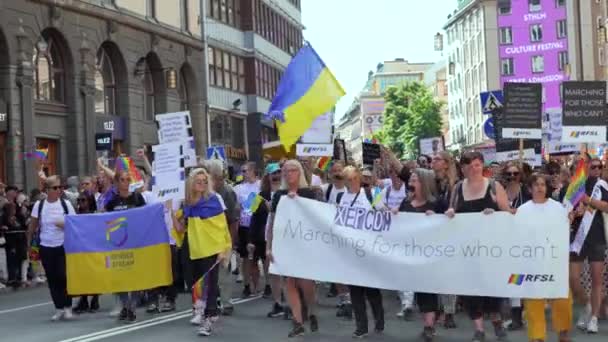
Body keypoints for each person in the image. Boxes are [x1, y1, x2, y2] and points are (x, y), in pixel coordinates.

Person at [446, 151, 514, 342]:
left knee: (492, 287)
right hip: (467, 251)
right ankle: (479, 329)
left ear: (482, 165)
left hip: (491, 249)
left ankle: (496, 320)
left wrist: (496, 212)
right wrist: (450, 212)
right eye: (468, 166)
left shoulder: (494, 186)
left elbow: (508, 212)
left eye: (476, 165)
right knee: (470, 290)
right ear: (462, 169)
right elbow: (452, 209)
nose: (472, 169)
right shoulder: (458, 188)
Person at [174, 168, 231, 337]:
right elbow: (179, 228)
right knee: (193, 283)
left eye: (205, 181)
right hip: (191, 248)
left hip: (210, 249)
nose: (202, 184)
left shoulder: (213, 200)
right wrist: (171, 211)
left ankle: (208, 318)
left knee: (209, 285)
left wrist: (223, 249)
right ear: (191, 183)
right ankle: (199, 310)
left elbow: (222, 227)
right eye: (198, 181)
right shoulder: (187, 204)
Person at [267, 160, 319, 338]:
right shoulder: (278, 196)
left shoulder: (309, 194)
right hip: (285, 245)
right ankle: (297, 322)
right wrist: (269, 246)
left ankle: (311, 310)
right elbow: (272, 223)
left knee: (306, 284)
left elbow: (318, 220)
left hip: (305, 245)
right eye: (286, 171)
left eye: (293, 170)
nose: (289, 174)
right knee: (289, 282)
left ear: (300, 173)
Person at [519, 173, 572, 342]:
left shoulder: (557, 207)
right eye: (536, 184)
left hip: (554, 263)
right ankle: (537, 337)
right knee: (534, 302)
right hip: (532, 264)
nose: (540, 187)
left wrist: (569, 218)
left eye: (543, 184)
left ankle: (563, 334)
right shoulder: (523, 210)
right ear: (530, 188)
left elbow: (564, 229)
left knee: (562, 301)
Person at [337, 166, 384, 338]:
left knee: (372, 291)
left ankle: (379, 321)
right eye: (346, 179)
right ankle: (361, 326)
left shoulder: (371, 194)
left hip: (369, 250)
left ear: (358, 178)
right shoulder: (342, 197)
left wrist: (390, 211)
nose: (349, 182)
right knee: (355, 291)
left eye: (352, 179)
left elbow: (384, 213)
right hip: (351, 251)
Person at [398, 168, 440, 341]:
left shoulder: (436, 203)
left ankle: (429, 326)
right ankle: (428, 322)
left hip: (430, 257)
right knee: (417, 291)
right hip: (410, 255)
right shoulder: (405, 203)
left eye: (414, 180)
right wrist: (394, 214)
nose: (410, 184)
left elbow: (450, 223)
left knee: (427, 291)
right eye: (411, 181)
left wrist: (439, 217)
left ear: (425, 183)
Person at [27, 175, 77, 321]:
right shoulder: (40, 205)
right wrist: (30, 244)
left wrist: (64, 225)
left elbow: (75, 223)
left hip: (62, 245)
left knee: (63, 276)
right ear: (47, 189)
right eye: (55, 188)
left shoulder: (66, 204)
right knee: (52, 278)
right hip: (46, 246)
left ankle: (68, 307)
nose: (59, 190)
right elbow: (33, 225)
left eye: (60, 187)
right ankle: (59, 308)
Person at [570, 157, 607, 333]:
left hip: (597, 236)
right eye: (593, 167)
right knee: (573, 278)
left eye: (600, 167)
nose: (597, 169)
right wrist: (575, 212)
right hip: (577, 236)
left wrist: (588, 201)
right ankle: (586, 306)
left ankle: (593, 317)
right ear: (585, 168)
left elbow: (606, 207)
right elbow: (566, 208)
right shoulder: (575, 186)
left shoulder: (603, 186)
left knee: (597, 280)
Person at [105, 170, 147, 323]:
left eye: (127, 180)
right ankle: (125, 305)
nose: (125, 183)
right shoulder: (112, 201)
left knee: (135, 277)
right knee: (120, 278)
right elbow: (105, 219)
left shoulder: (137, 198)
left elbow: (146, 217)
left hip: (135, 244)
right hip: (118, 246)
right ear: (116, 182)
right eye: (122, 180)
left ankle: (132, 307)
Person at [201, 159, 240, 316]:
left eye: (207, 174)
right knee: (209, 273)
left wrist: (230, 242)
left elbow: (233, 219)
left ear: (215, 176)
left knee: (224, 272)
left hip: (223, 238)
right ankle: (210, 303)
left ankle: (226, 302)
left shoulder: (227, 192)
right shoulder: (202, 192)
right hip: (207, 240)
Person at [249, 163, 285, 318]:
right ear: (267, 177)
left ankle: (291, 300)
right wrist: (250, 240)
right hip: (267, 237)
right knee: (272, 269)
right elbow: (253, 218)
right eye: (273, 173)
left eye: (278, 172)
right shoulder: (260, 196)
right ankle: (277, 302)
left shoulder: (287, 192)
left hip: (287, 236)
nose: (276, 176)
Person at [430, 151, 459, 328]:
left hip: (452, 235)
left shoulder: (454, 185)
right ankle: (442, 309)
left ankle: (449, 312)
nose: (433, 162)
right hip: (437, 235)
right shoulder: (434, 183)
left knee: (450, 275)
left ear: (446, 164)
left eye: (437, 159)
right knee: (439, 275)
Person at [320, 161, 352, 319]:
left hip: (350, 236)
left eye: (340, 170)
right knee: (337, 269)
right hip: (332, 235)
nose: (337, 173)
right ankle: (344, 299)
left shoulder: (352, 190)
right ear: (330, 174)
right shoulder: (326, 190)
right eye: (334, 171)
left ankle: (352, 298)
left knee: (349, 269)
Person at [501, 162, 531, 330]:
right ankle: (516, 315)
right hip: (506, 243)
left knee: (521, 279)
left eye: (515, 174)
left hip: (524, 242)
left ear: (521, 175)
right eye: (509, 174)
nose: (512, 177)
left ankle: (522, 314)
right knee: (512, 280)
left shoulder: (527, 193)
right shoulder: (500, 193)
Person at [234, 161, 261, 297]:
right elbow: (237, 208)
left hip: (258, 225)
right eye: (242, 171)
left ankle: (260, 285)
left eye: (245, 171)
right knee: (245, 257)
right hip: (245, 226)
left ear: (253, 171)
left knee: (257, 257)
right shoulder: (238, 189)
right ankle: (246, 285)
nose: (243, 174)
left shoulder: (260, 185)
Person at [72, 191, 100, 314]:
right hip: (80, 249)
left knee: (94, 275)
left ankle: (95, 299)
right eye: (78, 200)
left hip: (93, 249)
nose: (80, 203)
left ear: (90, 201)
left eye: (83, 200)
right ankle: (83, 300)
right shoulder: (76, 215)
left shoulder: (95, 215)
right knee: (82, 275)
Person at [2, 186, 28, 288]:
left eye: (15, 193)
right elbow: (4, 218)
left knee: (20, 257)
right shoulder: (3, 204)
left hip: (19, 234)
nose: (14, 194)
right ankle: (12, 278)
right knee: (11, 257)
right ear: (8, 192)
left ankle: (19, 277)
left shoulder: (18, 205)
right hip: (9, 236)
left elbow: (21, 219)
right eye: (12, 192)